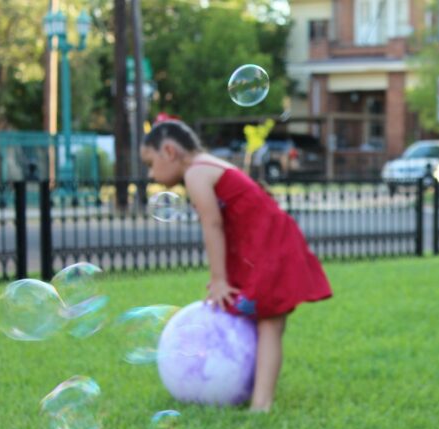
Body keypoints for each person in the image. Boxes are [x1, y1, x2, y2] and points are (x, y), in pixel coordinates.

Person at [140, 120, 332, 412]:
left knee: (269, 320)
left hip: (267, 243)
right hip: (263, 242)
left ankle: (261, 404)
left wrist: (219, 279)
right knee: (265, 320)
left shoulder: (196, 173)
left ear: (169, 151)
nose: (150, 174)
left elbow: (212, 224)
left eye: (150, 163)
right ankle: (257, 397)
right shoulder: (206, 165)